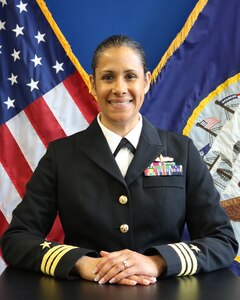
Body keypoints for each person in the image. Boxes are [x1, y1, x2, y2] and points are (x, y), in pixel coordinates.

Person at [1, 35, 238, 286]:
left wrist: (157, 262)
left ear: (146, 81)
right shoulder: (61, 156)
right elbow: (17, 239)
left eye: (130, 76)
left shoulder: (183, 152)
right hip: (85, 292)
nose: (120, 88)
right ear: (92, 84)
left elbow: (222, 240)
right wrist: (82, 263)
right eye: (107, 77)